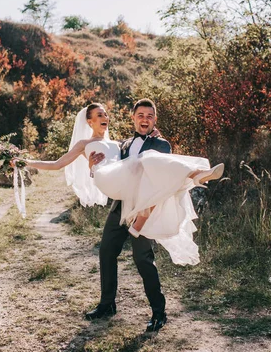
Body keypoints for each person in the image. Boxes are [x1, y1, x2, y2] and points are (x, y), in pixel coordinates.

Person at [15, 100, 223, 332]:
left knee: (143, 259)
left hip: (143, 206)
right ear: (133, 118)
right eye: (141, 115)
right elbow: (109, 171)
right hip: (119, 207)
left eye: (150, 116)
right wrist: (93, 169)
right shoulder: (122, 145)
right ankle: (107, 304)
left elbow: (160, 177)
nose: (145, 119)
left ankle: (159, 312)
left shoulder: (161, 144)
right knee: (106, 252)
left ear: (154, 120)